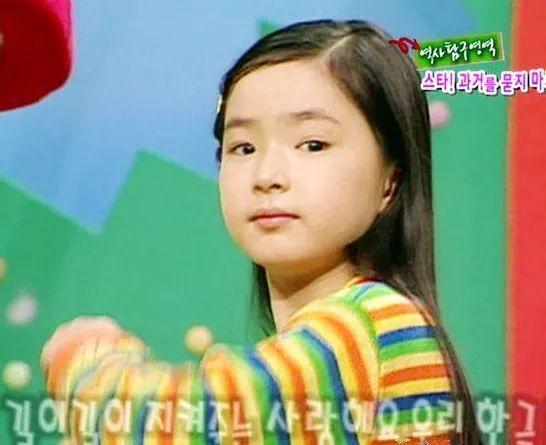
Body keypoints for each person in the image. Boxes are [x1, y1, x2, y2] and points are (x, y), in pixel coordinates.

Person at [41, 19, 483, 444]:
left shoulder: (370, 323)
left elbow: (154, 429)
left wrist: (85, 358)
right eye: (243, 147)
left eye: (313, 144)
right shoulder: (337, 336)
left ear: (390, 180)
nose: (268, 175)